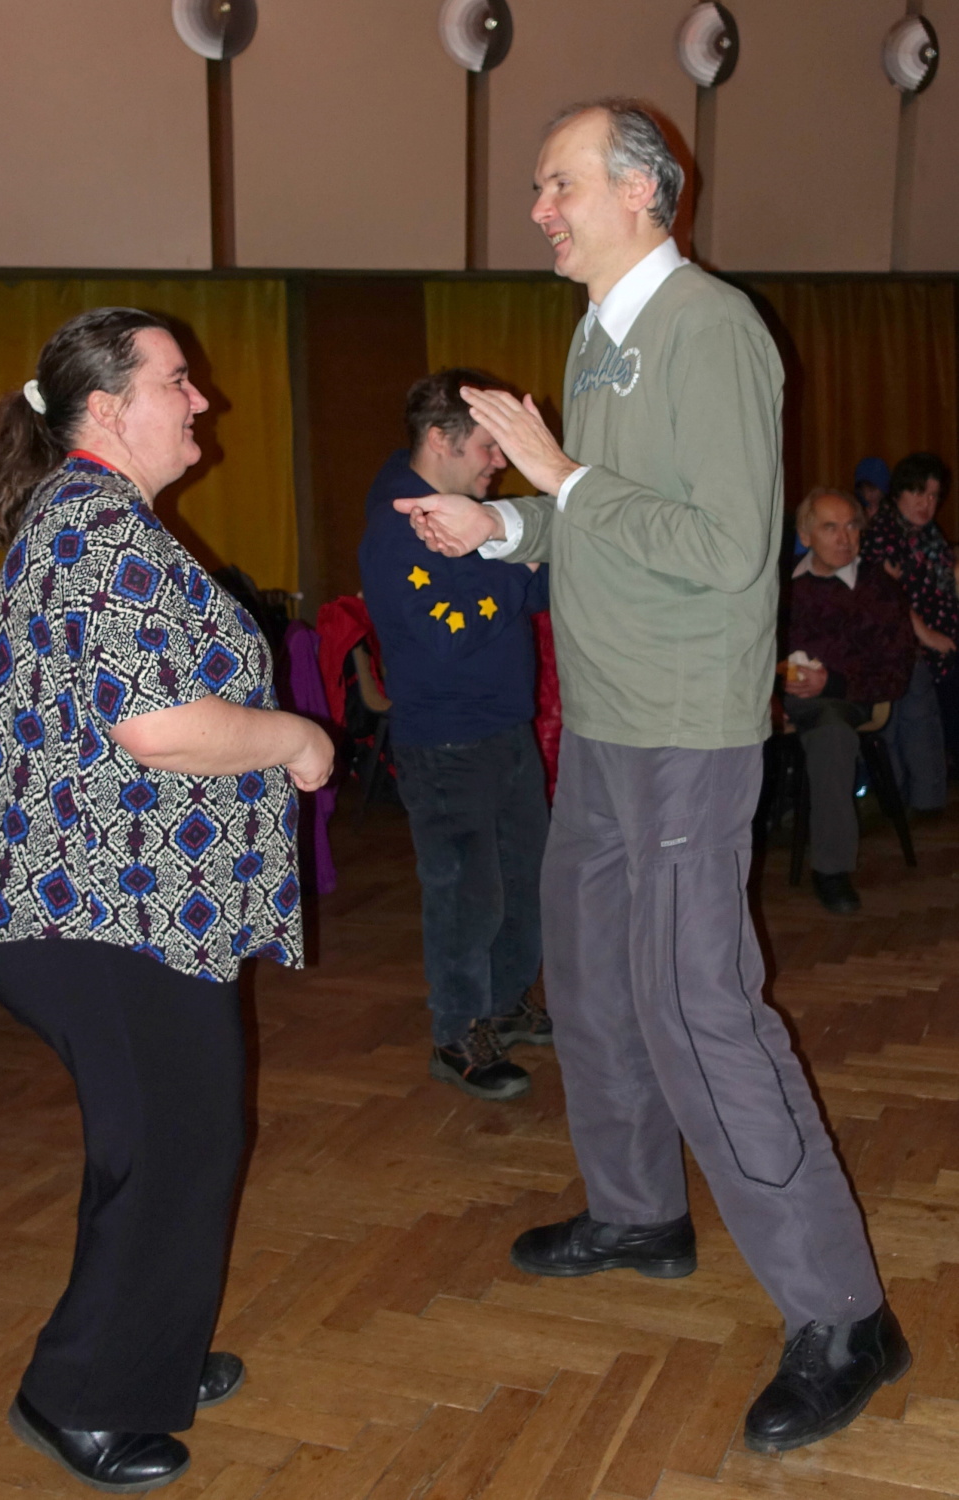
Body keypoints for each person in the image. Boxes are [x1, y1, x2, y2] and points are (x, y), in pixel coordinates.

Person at [395, 100, 909, 1454]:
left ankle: (845, 1315)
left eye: (557, 184)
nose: (538, 210)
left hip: (685, 726)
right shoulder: (598, 336)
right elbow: (605, 519)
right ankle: (637, 1213)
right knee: (589, 973)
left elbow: (727, 547)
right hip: (606, 723)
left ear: (640, 190)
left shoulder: (709, 329)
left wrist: (557, 474)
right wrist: (503, 522)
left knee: (699, 1006)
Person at [0, 308, 333, 1494]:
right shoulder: (100, 527)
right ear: (110, 409)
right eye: (178, 380)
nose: (200, 399)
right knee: (173, 1146)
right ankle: (79, 1397)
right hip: (98, 913)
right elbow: (158, 727)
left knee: (168, 1141)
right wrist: (297, 737)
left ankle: (145, 1353)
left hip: (121, 909)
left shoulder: (94, 519)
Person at [359, 369, 551, 1101]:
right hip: (446, 744)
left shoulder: (471, 512)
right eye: (488, 446)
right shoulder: (397, 526)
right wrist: (520, 564)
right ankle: (457, 1033)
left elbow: (529, 591)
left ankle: (504, 1005)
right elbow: (450, 633)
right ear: (440, 440)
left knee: (522, 880)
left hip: (505, 727)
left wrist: (529, 562)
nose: (499, 462)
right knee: (467, 896)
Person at [785, 488, 916, 913]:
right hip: (774, 695)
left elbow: (896, 673)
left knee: (831, 731)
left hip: (847, 699)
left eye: (852, 526)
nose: (845, 538)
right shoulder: (779, 585)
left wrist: (832, 683)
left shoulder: (879, 589)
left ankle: (831, 870)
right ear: (805, 535)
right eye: (831, 527)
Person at [860, 452, 958, 811]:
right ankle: (908, 800)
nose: (926, 504)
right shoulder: (883, 533)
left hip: (940, 644)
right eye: (918, 493)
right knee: (915, 720)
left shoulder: (928, 533)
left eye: (933, 496)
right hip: (905, 648)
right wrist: (928, 636)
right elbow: (888, 597)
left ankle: (927, 799)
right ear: (899, 492)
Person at [853, 456, 890, 521]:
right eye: (863, 492)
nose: (867, 496)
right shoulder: (858, 510)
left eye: (871, 490)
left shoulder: (893, 511)